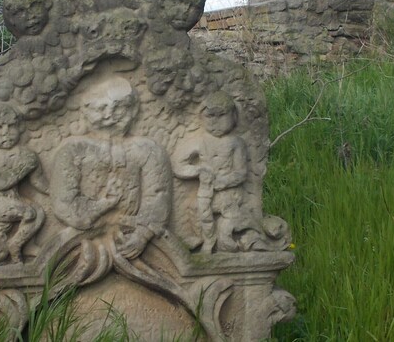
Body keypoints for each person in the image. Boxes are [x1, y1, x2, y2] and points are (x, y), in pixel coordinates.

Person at [52, 77, 170, 259]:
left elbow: (157, 197)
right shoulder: (73, 150)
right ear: (86, 111)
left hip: (135, 238)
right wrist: (104, 205)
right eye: (101, 108)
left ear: (133, 110)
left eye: (119, 107)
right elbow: (64, 204)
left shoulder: (148, 149)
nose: (110, 115)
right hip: (82, 238)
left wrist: (143, 235)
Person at [172, 91, 249, 253]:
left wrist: (222, 182)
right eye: (210, 116)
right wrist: (198, 170)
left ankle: (224, 240)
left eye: (222, 115)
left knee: (228, 215)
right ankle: (204, 240)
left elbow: (241, 173)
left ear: (233, 116)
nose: (216, 122)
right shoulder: (199, 141)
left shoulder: (236, 143)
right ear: (202, 117)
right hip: (206, 190)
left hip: (229, 193)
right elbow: (178, 164)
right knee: (195, 208)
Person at [0, 102, 48, 263]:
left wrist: (56, 193)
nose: (5, 132)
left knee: (38, 212)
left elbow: (38, 182)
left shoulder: (24, 154)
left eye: (11, 126)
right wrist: (24, 167)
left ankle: (19, 243)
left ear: (19, 128)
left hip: (10, 203)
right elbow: (0, 183)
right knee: (29, 212)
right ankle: (15, 247)